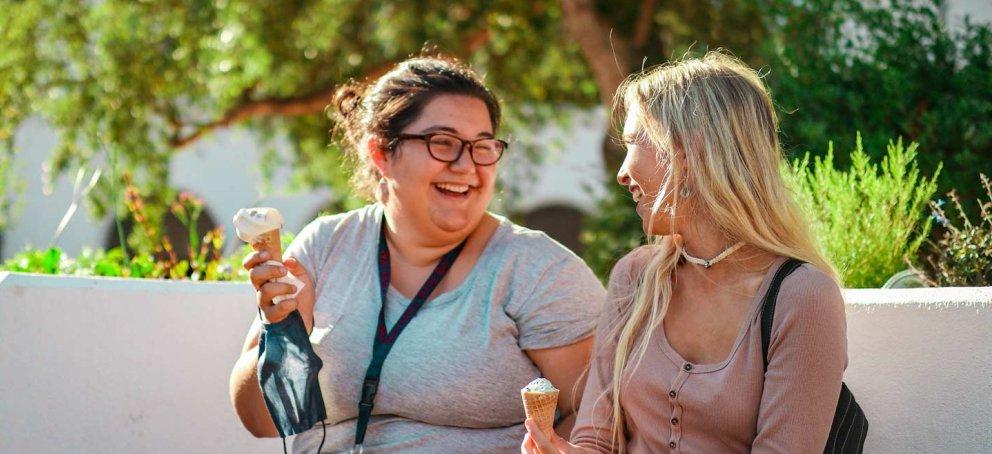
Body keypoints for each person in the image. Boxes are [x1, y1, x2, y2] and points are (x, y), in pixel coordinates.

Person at [229, 55, 606, 453]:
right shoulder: (325, 245)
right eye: (442, 143)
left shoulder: (538, 269)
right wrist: (286, 329)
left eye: (482, 147)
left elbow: (599, 414)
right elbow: (263, 422)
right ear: (381, 153)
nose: (466, 165)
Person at [522, 51, 848, 453]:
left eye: (633, 144)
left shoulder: (802, 296)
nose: (622, 172)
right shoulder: (635, 278)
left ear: (691, 153)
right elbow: (596, 439)